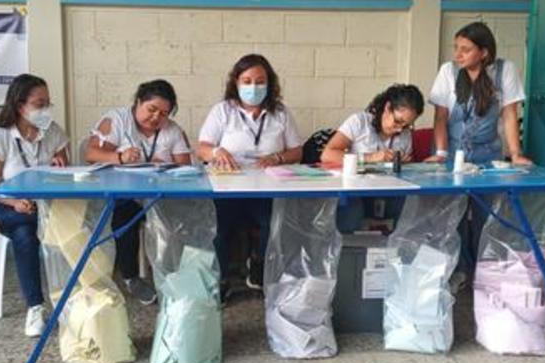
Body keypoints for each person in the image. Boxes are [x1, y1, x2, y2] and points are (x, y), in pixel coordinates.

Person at [0, 74, 69, 337]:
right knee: (25, 235)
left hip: (44, 205)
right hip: (5, 204)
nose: (46, 110)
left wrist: (59, 165)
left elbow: (65, 173)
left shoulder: (53, 132)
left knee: (35, 224)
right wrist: (15, 203)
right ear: (20, 106)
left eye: (48, 103)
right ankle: (35, 308)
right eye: (39, 104)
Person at [425, 21, 532, 279]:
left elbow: (509, 115)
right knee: (453, 215)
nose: (457, 55)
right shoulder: (448, 71)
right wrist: (440, 154)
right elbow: (440, 117)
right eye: (456, 48)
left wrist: (515, 153)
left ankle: (484, 272)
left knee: (487, 215)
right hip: (451, 153)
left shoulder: (505, 71)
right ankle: (458, 270)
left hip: (487, 155)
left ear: (484, 52)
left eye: (466, 49)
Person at [197, 53, 303, 292]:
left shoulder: (281, 113)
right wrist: (217, 152)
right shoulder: (222, 111)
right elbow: (202, 149)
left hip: (267, 185)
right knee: (219, 228)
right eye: (246, 81)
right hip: (228, 185)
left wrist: (277, 157)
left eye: (259, 81)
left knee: (273, 224)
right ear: (236, 83)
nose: (253, 87)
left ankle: (258, 264)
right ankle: (221, 279)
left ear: (270, 83)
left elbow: (297, 151)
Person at [84, 79, 193, 305]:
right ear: (138, 102)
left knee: (177, 219)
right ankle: (131, 277)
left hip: (160, 195)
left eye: (163, 114)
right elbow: (91, 153)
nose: (156, 118)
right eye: (151, 109)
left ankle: (173, 273)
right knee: (125, 223)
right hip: (125, 195)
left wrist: (165, 166)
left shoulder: (172, 131)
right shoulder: (117, 120)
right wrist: (119, 158)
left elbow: (186, 168)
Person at [321, 83, 425, 232]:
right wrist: (370, 158)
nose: (400, 129)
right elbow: (328, 154)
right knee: (351, 216)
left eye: (407, 125)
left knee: (409, 208)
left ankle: (394, 252)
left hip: (387, 190)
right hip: (356, 190)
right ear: (388, 108)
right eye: (398, 121)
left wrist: (402, 163)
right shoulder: (359, 122)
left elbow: (404, 172)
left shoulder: (404, 135)